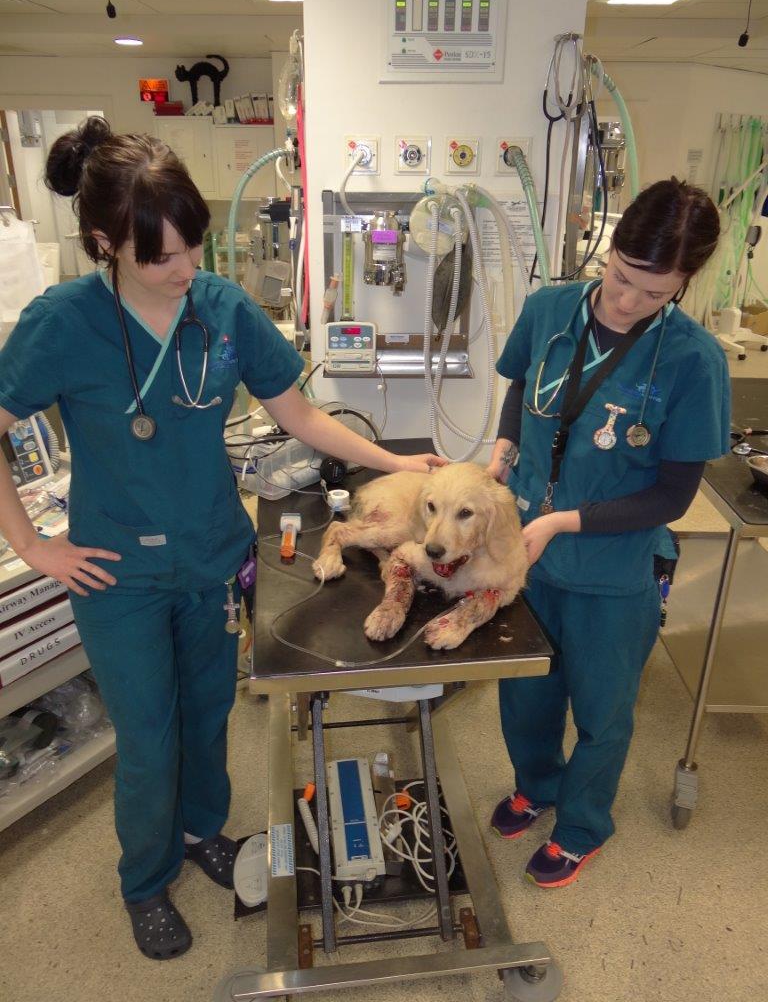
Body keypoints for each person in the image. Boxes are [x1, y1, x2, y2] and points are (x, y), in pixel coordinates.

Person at [0, 117, 443, 959]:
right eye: (160, 256)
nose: (185, 270)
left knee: (207, 715)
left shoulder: (224, 309)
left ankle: (204, 832)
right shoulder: (63, 321)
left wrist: (397, 460)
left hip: (210, 555)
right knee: (148, 734)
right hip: (116, 570)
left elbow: (300, 415)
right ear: (105, 242)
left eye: (193, 249)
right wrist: (32, 546)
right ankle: (145, 878)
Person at [486, 178, 730, 888]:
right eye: (621, 278)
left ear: (684, 284)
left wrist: (564, 520)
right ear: (610, 247)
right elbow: (517, 390)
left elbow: (673, 494)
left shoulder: (693, 360)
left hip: (614, 572)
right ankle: (538, 783)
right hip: (527, 557)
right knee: (526, 692)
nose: (627, 302)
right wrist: (504, 450)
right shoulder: (549, 310)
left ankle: (584, 823)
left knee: (601, 710)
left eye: (654, 294)